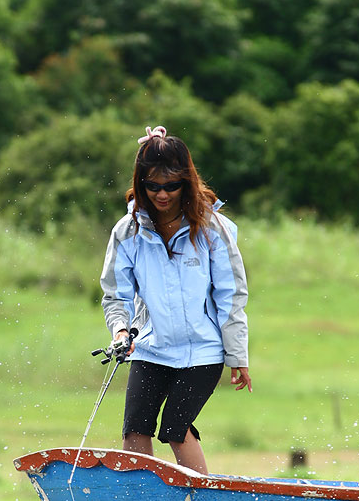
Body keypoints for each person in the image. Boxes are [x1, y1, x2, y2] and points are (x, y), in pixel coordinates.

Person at [100, 125, 251, 474]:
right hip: (151, 347)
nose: (162, 194)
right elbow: (115, 294)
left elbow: (231, 294)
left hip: (203, 351)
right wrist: (121, 332)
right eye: (153, 186)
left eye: (171, 186)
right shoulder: (127, 232)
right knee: (134, 430)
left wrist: (238, 354)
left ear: (187, 181)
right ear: (140, 183)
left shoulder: (213, 228)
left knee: (175, 430)